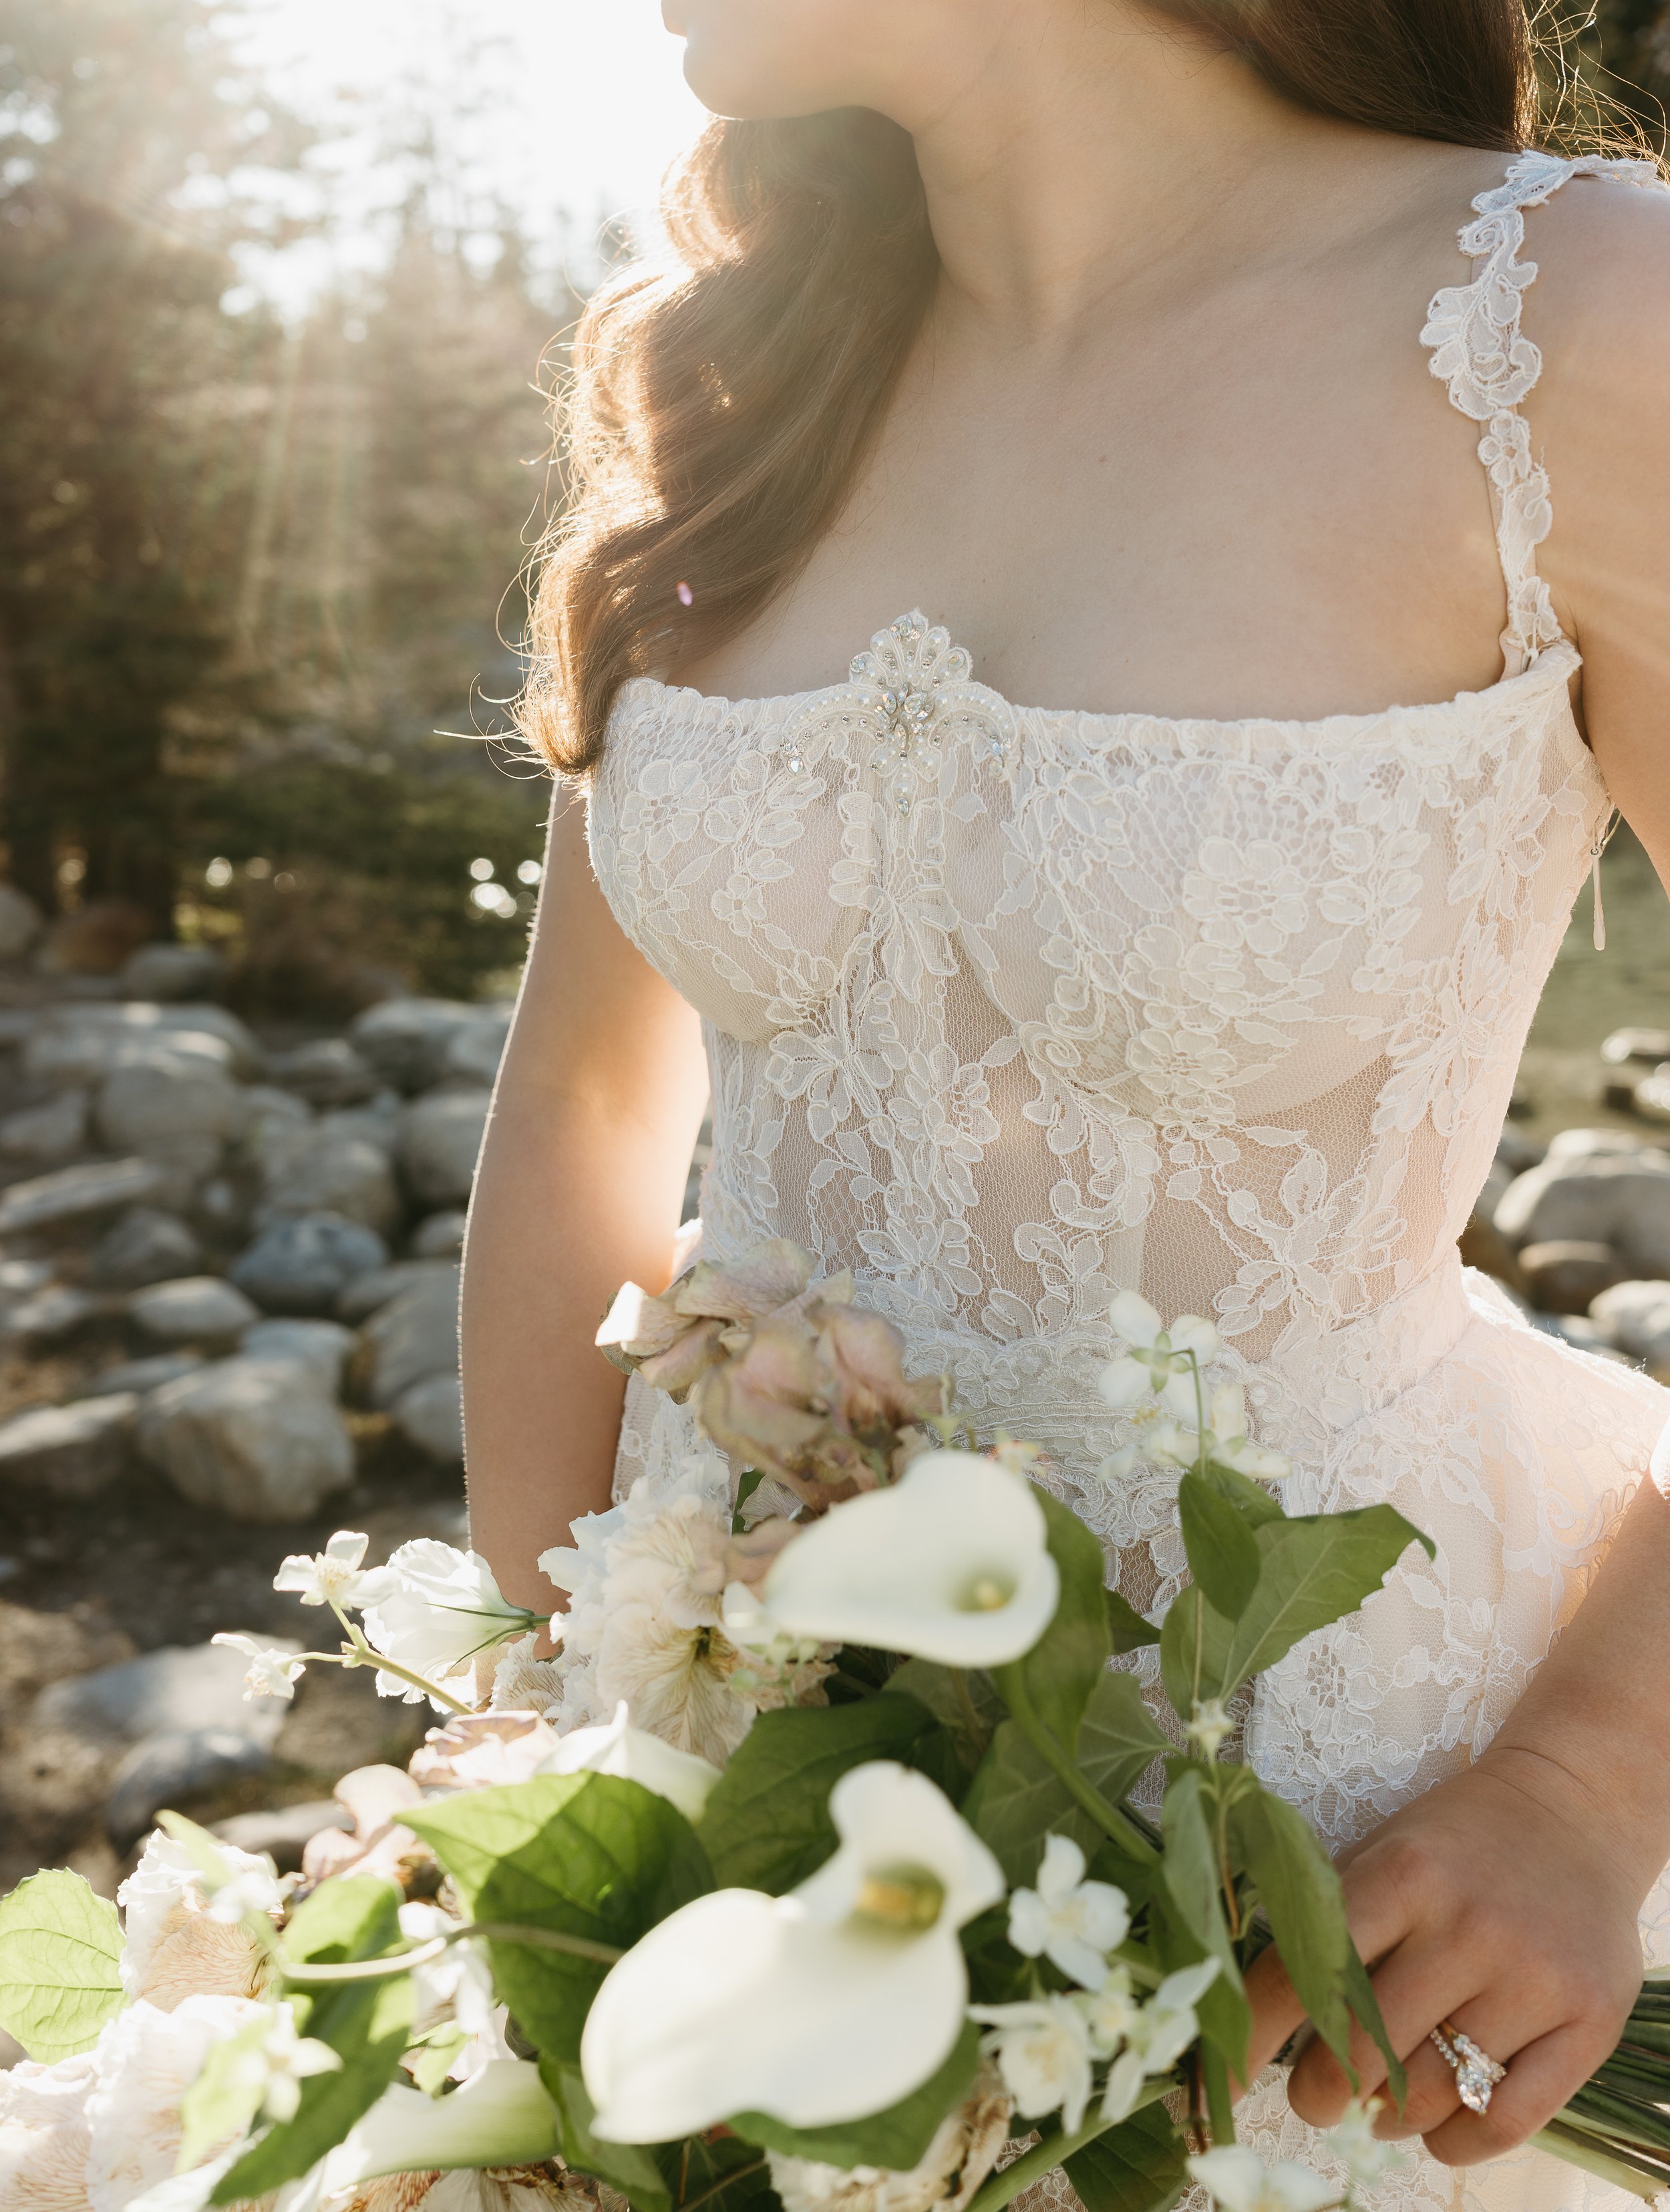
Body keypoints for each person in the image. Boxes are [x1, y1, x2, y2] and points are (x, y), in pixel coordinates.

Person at [462, 3, 1670, 2203]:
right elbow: (579, 1125)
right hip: (730, 1810)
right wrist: (546, 1739)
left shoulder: (1565, 320)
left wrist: (1589, 1792)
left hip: (1338, 1891)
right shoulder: (749, 376)